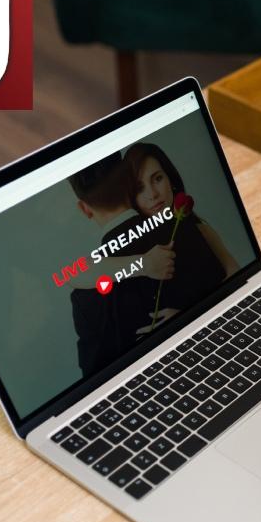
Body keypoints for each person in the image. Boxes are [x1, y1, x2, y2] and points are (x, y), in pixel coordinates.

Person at [68, 154, 175, 377]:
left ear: (84, 208)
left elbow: (94, 377)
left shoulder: (83, 296)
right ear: (128, 184)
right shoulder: (181, 227)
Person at [123, 142, 239, 312]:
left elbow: (234, 272)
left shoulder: (199, 228)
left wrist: (186, 315)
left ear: (171, 180)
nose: (152, 194)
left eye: (157, 179)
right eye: (140, 188)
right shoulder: (134, 244)